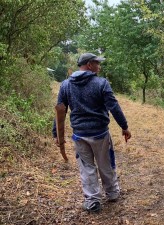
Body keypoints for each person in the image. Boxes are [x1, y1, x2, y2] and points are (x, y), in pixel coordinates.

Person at [52, 53, 132, 213]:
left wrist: (56, 134)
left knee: (86, 168)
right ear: (89, 65)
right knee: (106, 164)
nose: (99, 66)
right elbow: (113, 106)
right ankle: (112, 193)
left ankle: (93, 201)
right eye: (97, 63)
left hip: (80, 135)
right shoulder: (101, 83)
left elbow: (60, 111)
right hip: (100, 133)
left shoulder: (66, 85)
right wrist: (124, 126)